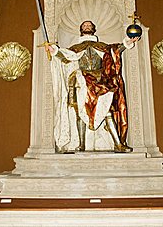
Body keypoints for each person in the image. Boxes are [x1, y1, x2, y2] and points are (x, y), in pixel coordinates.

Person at [46, 21, 139, 153]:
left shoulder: (101, 47)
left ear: (93, 29)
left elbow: (114, 51)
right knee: (80, 111)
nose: (87, 27)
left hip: (100, 81)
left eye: (89, 26)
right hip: (82, 81)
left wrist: (126, 43)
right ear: (81, 29)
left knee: (107, 110)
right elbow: (66, 57)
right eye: (84, 26)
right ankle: (81, 145)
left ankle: (118, 144)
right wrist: (54, 51)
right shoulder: (75, 48)